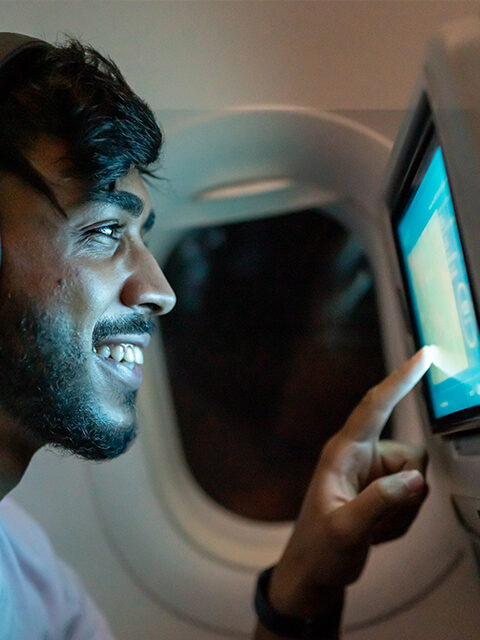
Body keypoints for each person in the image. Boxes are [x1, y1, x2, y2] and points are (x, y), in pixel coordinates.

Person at [0, 33, 432, 640]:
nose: (161, 289)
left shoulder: (20, 554)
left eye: (144, 236)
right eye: (102, 231)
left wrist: (302, 585)